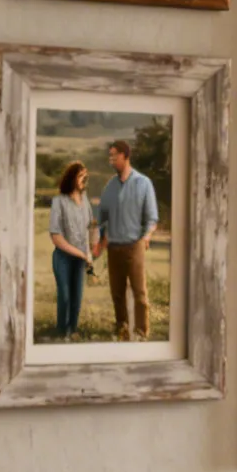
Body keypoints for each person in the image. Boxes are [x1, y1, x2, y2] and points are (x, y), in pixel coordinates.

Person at [91, 139, 159, 342]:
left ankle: (141, 332)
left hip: (135, 245)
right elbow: (102, 218)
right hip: (114, 247)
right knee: (117, 293)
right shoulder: (110, 186)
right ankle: (122, 328)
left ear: (125, 156)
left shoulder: (143, 183)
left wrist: (147, 236)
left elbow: (152, 217)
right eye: (110, 155)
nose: (111, 159)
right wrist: (99, 242)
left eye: (114, 155)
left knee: (139, 293)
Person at [47, 161, 96, 340]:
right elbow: (56, 236)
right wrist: (80, 253)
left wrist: (89, 253)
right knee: (65, 296)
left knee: (77, 298)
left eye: (86, 175)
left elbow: (90, 227)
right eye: (81, 175)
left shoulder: (85, 201)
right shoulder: (59, 201)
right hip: (63, 258)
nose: (85, 179)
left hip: (81, 258)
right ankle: (61, 332)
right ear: (72, 177)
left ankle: (72, 330)